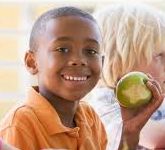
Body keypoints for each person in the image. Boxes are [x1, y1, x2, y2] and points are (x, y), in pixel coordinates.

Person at [0, 6, 163, 150]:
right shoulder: (21, 123)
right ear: (32, 62)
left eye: (91, 51)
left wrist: (130, 131)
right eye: (62, 49)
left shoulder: (89, 116)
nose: (79, 60)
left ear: (102, 62)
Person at [88, 3, 165, 150]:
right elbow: (153, 136)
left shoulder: (150, 98)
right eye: (159, 55)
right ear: (119, 61)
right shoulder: (106, 107)